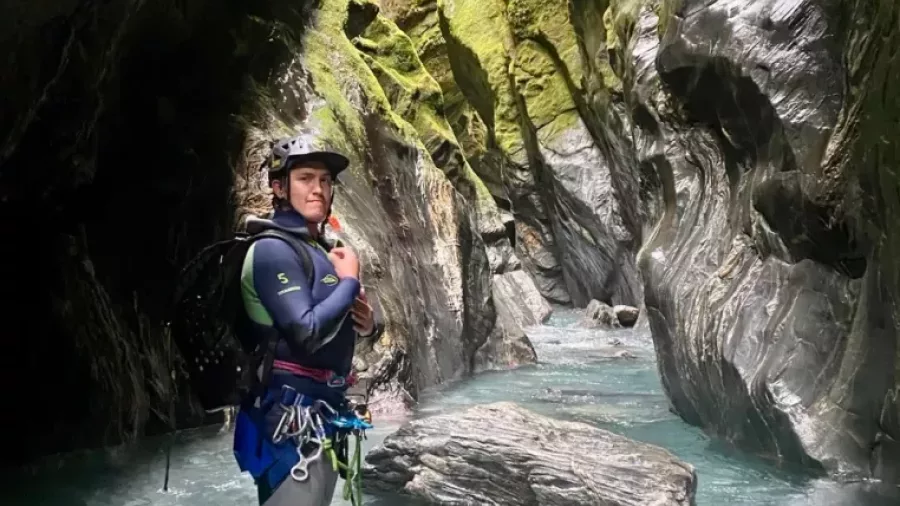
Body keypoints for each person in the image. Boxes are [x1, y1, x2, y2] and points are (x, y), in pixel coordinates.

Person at [231, 134, 382, 506]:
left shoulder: (318, 251)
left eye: (325, 181)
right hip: (288, 424)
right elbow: (306, 332)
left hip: (321, 418)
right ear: (279, 187)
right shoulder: (271, 250)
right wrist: (349, 282)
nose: (318, 189)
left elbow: (328, 325)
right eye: (306, 178)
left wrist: (366, 325)